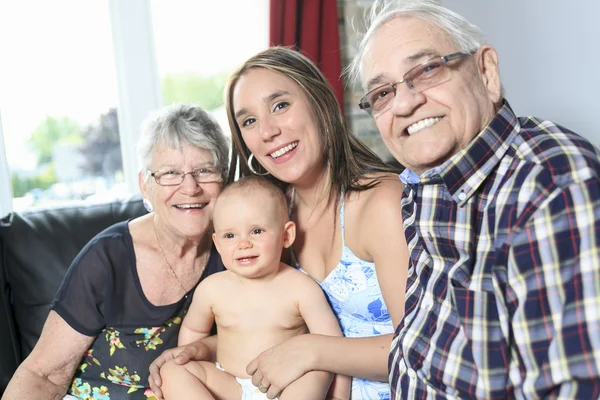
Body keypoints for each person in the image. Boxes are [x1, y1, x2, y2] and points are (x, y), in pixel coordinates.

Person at [348, 0, 600, 398]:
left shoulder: (547, 184)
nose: (404, 103)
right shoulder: (420, 185)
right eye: (382, 92)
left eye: (428, 69)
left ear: (486, 72)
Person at [149, 47, 409, 400]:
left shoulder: (382, 201)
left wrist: (312, 351)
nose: (268, 131)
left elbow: (423, 347)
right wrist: (200, 351)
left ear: (319, 102)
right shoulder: (271, 212)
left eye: (280, 105)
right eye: (249, 121)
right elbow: (265, 330)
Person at [3, 103, 229, 399]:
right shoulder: (107, 259)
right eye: (171, 173)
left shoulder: (237, 249)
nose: (190, 187)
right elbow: (43, 374)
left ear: (224, 179)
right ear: (144, 186)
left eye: (204, 170)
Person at [159, 176, 351, 400]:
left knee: (316, 371)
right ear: (218, 244)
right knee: (172, 370)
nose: (243, 244)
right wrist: (188, 356)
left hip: (284, 387)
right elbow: (195, 331)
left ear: (286, 235)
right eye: (230, 235)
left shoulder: (301, 288)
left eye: (257, 231)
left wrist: (338, 397)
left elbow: (333, 348)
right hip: (229, 385)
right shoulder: (211, 289)